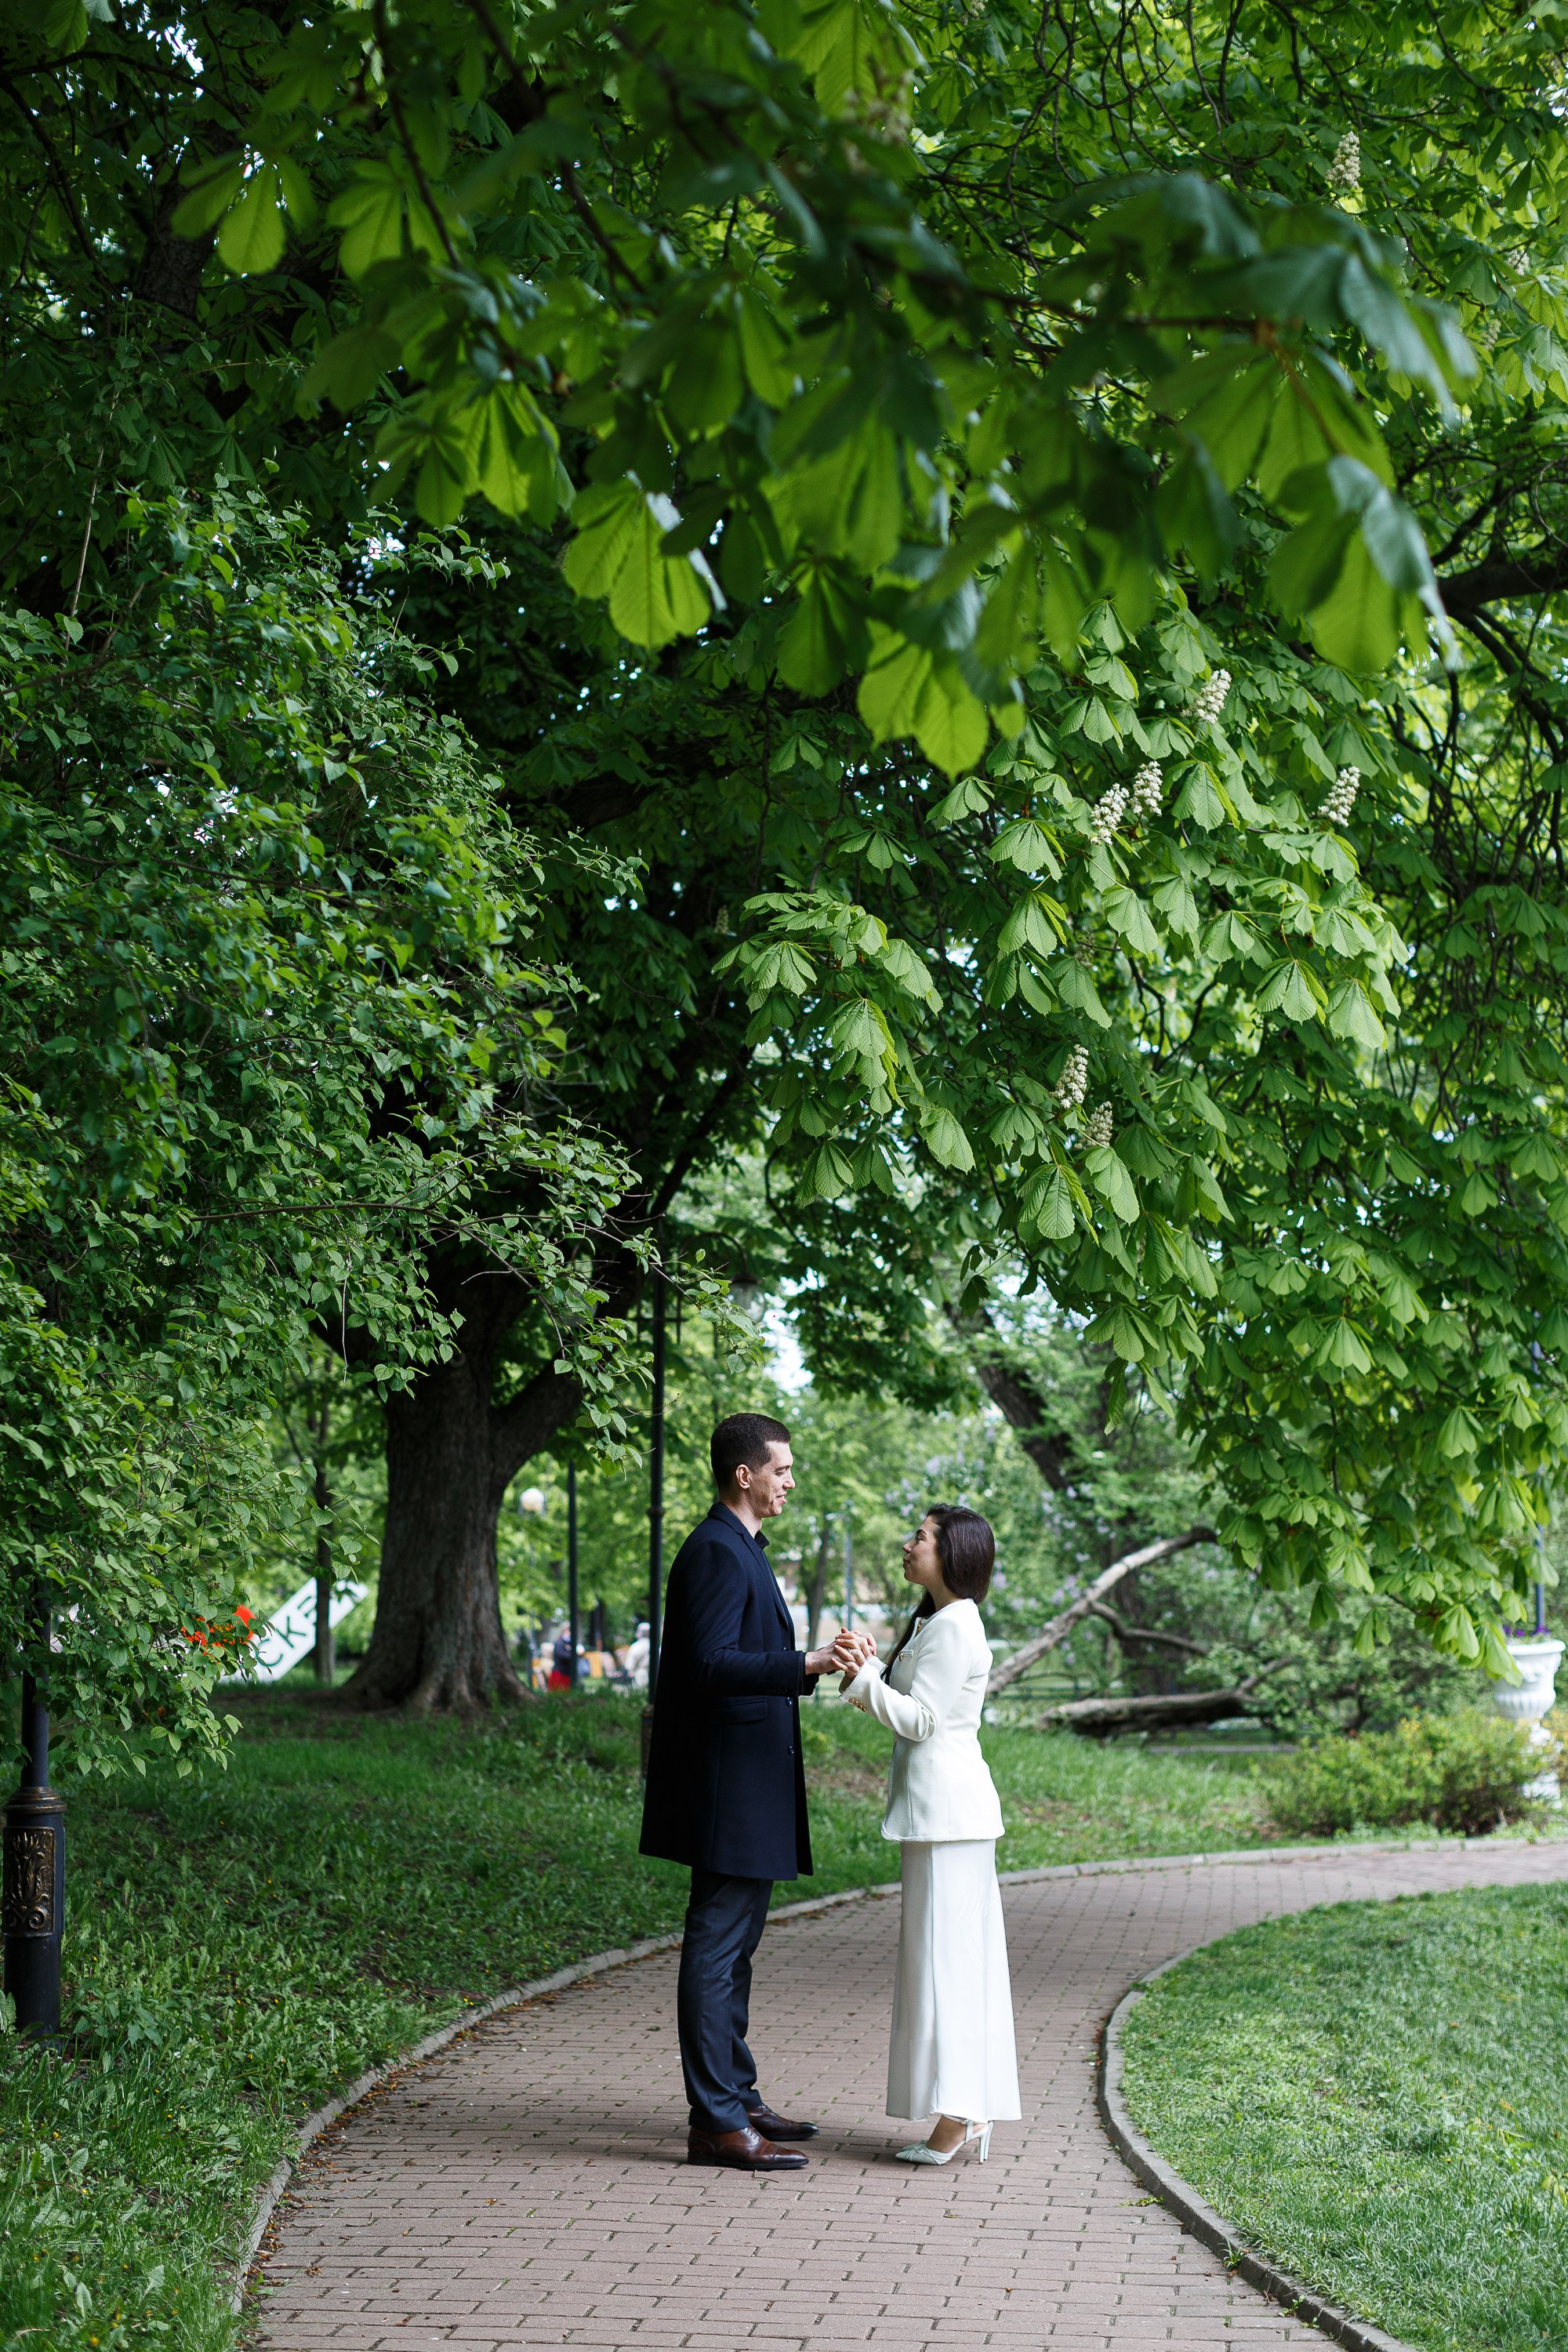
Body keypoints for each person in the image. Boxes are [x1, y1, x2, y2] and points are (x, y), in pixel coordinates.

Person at [640, 1410, 864, 2172]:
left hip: (749, 1784)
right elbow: (705, 1667)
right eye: (781, 1470)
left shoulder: (741, 1550)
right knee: (714, 1948)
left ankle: (736, 2096)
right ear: (744, 1475)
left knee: (735, 1953)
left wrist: (808, 1664)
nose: (790, 1481)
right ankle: (715, 2122)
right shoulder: (713, 1552)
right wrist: (806, 1662)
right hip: (725, 1788)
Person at [839, 1505, 1021, 2165]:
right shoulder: (936, 1621)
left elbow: (920, 1723)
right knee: (944, 1964)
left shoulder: (954, 1626)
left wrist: (863, 1682)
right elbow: (910, 1705)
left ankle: (964, 2113)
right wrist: (865, 1671)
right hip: (940, 1819)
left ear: (952, 1554)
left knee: (951, 1967)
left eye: (920, 1537)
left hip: (951, 1820)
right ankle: (962, 2108)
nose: (908, 1544)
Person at [624, 1620, 651, 1690]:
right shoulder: (655, 1646)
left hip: (639, 1674)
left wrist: (630, 1670)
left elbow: (629, 1664)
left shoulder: (636, 1646)